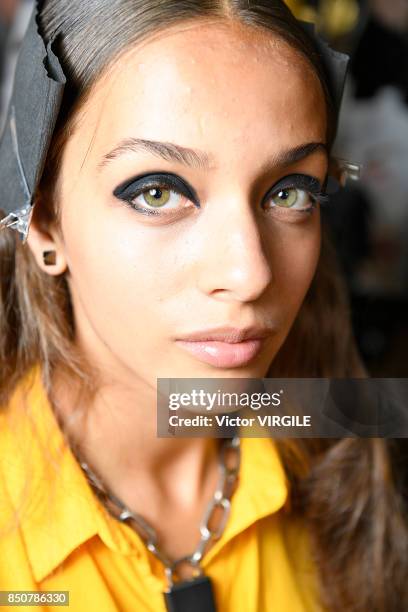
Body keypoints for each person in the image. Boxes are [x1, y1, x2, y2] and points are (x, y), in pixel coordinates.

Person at [0, 1, 407, 611]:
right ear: (45, 222)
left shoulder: (353, 451)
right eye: (157, 192)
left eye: (289, 191)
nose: (250, 274)